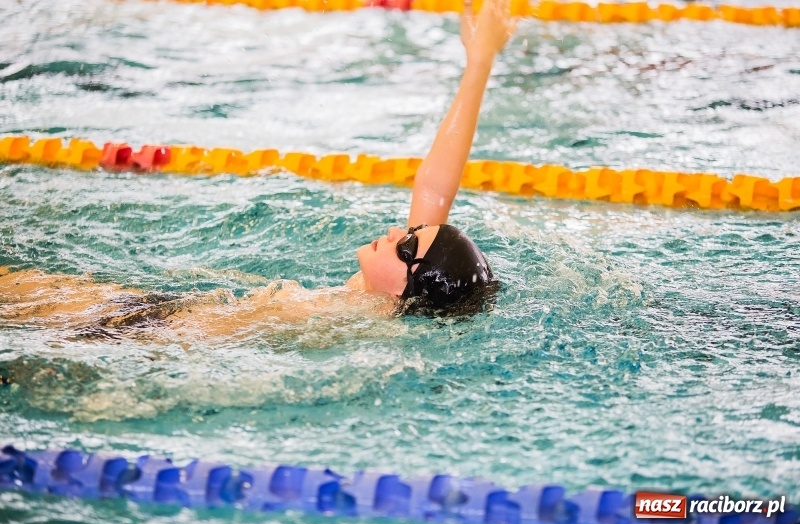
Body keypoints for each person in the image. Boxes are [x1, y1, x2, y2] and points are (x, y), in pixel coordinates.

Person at [0, 0, 516, 338]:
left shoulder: (362, 319)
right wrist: (479, 62)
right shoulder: (386, 289)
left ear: (406, 290)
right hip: (168, 313)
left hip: (156, 329)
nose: (396, 231)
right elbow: (434, 185)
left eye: (407, 245)